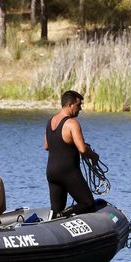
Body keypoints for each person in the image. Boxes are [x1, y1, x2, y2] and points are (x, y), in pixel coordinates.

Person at [44, 90, 98, 218]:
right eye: (79, 105)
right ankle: (65, 214)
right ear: (70, 105)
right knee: (88, 203)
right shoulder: (72, 123)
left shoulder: (50, 121)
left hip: (51, 172)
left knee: (55, 211)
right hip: (67, 172)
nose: (80, 109)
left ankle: (58, 218)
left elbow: (46, 146)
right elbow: (82, 150)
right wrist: (93, 155)